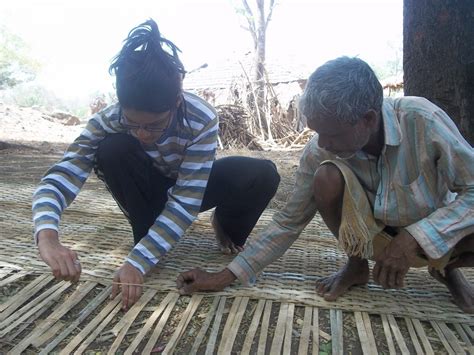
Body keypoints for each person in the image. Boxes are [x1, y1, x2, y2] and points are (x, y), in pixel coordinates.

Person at [177, 57, 474, 313]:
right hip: (373, 236)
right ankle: (356, 265)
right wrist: (224, 276)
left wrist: (415, 238)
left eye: (331, 134)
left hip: (435, 234)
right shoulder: (321, 149)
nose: (323, 143)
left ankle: (447, 268)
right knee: (326, 177)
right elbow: (288, 222)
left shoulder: (422, 120)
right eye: (317, 132)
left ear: (368, 120)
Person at [32, 19, 280, 310]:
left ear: (176, 102)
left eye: (154, 125)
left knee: (263, 173)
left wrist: (137, 261)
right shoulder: (108, 121)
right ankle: (145, 225)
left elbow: (186, 200)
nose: (142, 134)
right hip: (146, 192)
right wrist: (47, 236)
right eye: (132, 123)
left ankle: (224, 223)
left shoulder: (201, 119)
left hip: (189, 187)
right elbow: (63, 174)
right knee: (112, 147)